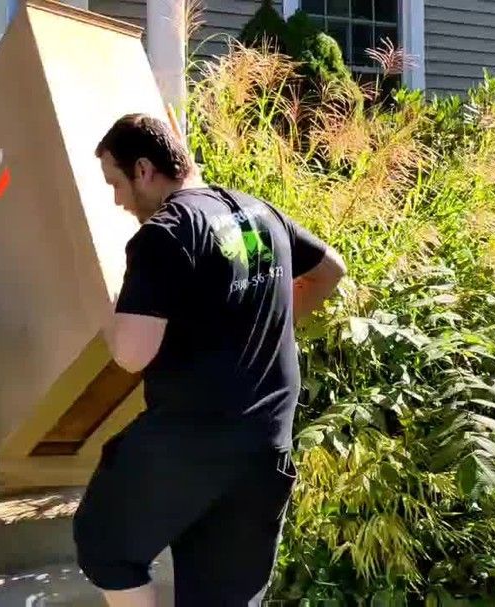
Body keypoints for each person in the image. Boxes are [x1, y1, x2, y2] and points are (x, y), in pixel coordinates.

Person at [73, 113, 347, 606]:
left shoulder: (165, 233)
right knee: (223, 595)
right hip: (265, 444)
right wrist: (273, 325)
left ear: (143, 170)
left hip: (191, 442)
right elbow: (330, 270)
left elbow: (132, 355)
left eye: (115, 183)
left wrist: (114, 309)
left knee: (105, 544)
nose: (117, 200)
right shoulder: (256, 212)